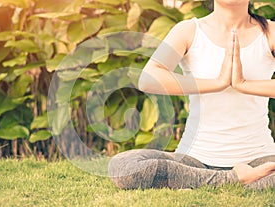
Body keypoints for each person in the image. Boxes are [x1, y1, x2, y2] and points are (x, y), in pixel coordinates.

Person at [108, 0, 275, 190]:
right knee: (123, 166)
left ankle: (209, 183)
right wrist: (217, 83)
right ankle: (235, 180)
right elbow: (148, 78)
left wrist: (243, 84)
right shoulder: (189, 30)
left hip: (259, 158)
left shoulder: (270, 32)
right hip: (194, 160)